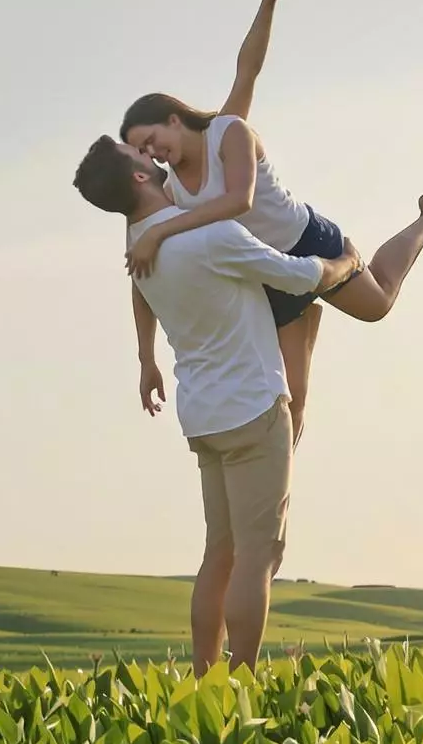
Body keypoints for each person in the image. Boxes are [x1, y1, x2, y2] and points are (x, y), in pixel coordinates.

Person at [119, 0, 423, 441]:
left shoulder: (228, 132)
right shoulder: (172, 196)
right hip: (267, 274)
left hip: (305, 243)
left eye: (151, 140)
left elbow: (239, 195)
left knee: (379, 303)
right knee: (289, 415)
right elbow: (142, 276)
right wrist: (146, 358)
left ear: (171, 118)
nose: (153, 154)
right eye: (142, 153)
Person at [71, 134, 358, 670]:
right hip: (252, 405)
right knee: (260, 554)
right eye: (141, 158)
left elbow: (137, 288)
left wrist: (146, 360)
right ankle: (244, 676)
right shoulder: (211, 237)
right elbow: (298, 275)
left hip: (201, 414)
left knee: (219, 553)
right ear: (137, 178)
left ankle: (204, 677)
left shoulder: (141, 241)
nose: (152, 158)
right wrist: (343, 263)